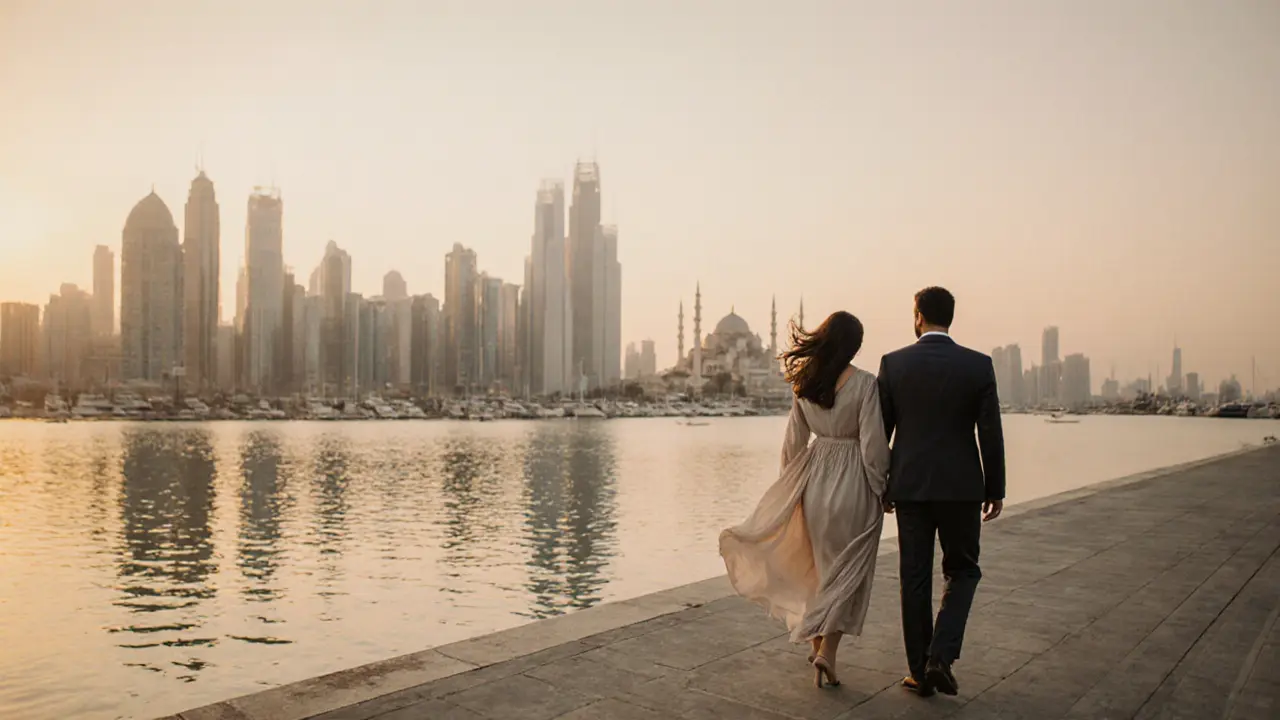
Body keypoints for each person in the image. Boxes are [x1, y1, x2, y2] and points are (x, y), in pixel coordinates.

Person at [720, 311, 890, 689]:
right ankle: (827, 652)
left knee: (817, 573)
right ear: (855, 346)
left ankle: (817, 649)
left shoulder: (804, 383)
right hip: (854, 482)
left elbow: (793, 444)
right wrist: (882, 487)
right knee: (847, 572)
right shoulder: (864, 385)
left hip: (814, 481)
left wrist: (790, 490)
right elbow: (874, 447)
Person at [877, 286, 1006, 697]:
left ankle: (920, 671)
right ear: (951, 317)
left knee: (914, 577)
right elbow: (990, 432)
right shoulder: (978, 365)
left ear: (918, 315)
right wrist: (995, 487)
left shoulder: (894, 364)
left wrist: (882, 484)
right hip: (962, 487)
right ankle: (940, 657)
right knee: (963, 570)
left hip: (911, 487)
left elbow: (882, 434)